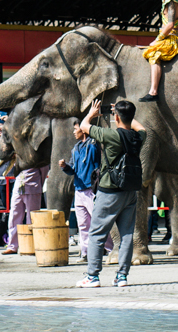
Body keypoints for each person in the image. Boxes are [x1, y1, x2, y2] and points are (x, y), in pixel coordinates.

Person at [77, 99, 146, 288]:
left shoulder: (110, 135)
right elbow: (140, 126)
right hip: (130, 192)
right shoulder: (139, 137)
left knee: (97, 234)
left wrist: (92, 113)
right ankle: (122, 276)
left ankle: (92, 276)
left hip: (109, 191)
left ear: (115, 117)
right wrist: (126, 114)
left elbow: (84, 126)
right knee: (126, 235)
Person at [58, 118, 111, 262]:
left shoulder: (93, 145)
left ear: (83, 129)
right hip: (79, 189)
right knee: (83, 224)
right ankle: (85, 252)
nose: (74, 132)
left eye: (76, 129)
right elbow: (73, 169)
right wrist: (65, 167)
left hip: (91, 189)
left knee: (98, 221)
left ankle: (110, 249)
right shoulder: (75, 148)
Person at [140, 0, 178, 102]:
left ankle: (153, 92)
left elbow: (170, 25)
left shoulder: (171, 0)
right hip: (172, 36)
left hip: (170, 39)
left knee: (153, 54)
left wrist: (157, 40)